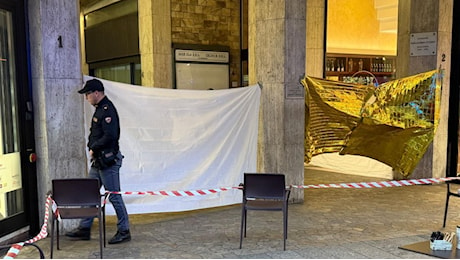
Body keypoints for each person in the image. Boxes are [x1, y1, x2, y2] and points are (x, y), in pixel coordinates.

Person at [66, 78, 131, 244]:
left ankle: (124, 230)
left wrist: (94, 147)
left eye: (88, 94)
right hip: (99, 161)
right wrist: (92, 146)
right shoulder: (100, 109)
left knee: (114, 196)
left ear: (97, 93)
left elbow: (111, 136)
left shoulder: (107, 110)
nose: (86, 97)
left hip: (108, 161)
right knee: (89, 193)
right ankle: (84, 228)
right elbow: (96, 133)